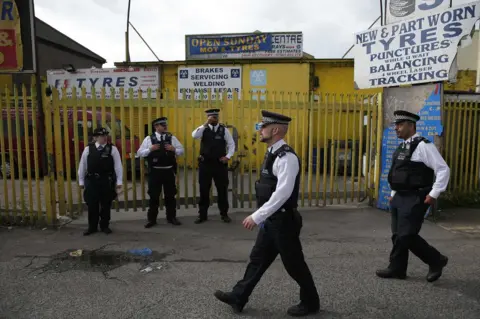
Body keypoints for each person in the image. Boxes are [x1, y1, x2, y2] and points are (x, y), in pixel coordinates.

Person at [213, 110, 320, 317]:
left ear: (276, 130)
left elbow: (282, 193)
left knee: (294, 265)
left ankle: (311, 303)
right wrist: (263, 216)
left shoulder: (286, 157)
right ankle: (238, 296)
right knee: (257, 259)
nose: (260, 130)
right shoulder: (271, 153)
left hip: (284, 221)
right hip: (272, 219)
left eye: (263, 127)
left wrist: (256, 216)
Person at [376, 110, 450, 282]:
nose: (396, 128)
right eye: (396, 125)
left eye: (400, 125)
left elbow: (443, 169)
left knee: (406, 235)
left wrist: (434, 193)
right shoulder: (402, 146)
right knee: (397, 235)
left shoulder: (424, 146)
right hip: (399, 197)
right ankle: (397, 269)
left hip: (416, 197)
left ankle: (436, 260)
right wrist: (393, 193)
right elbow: (399, 173)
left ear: (411, 125)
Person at [137, 117, 184, 227]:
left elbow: (181, 151)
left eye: (165, 124)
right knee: (154, 196)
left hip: (168, 171)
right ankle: (152, 219)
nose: (165, 126)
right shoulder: (149, 139)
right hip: (155, 172)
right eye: (162, 125)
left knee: (170, 196)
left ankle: (171, 217)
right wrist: (150, 149)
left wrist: (174, 149)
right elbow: (139, 153)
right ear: (156, 127)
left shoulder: (171, 138)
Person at [192, 108, 235, 224]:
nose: (213, 119)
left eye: (215, 117)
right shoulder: (203, 129)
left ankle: (224, 214)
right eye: (210, 117)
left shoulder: (223, 130)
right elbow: (194, 136)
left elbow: (231, 144)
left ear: (218, 118)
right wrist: (205, 124)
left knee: (222, 190)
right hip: (205, 164)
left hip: (219, 164)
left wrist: (228, 157)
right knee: (204, 190)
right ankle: (202, 215)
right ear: (207, 118)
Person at [78, 127, 123, 236]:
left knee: (106, 204)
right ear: (95, 137)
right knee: (92, 205)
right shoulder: (88, 149)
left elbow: (118, 166)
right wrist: (81, 181)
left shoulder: (112, 149)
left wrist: (119, 181)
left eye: (105, 136)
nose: (105, 138)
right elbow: (82, 165)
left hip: (106, 180)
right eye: (102, 136)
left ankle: (104, 225)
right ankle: (92, 227)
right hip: (92, 180)